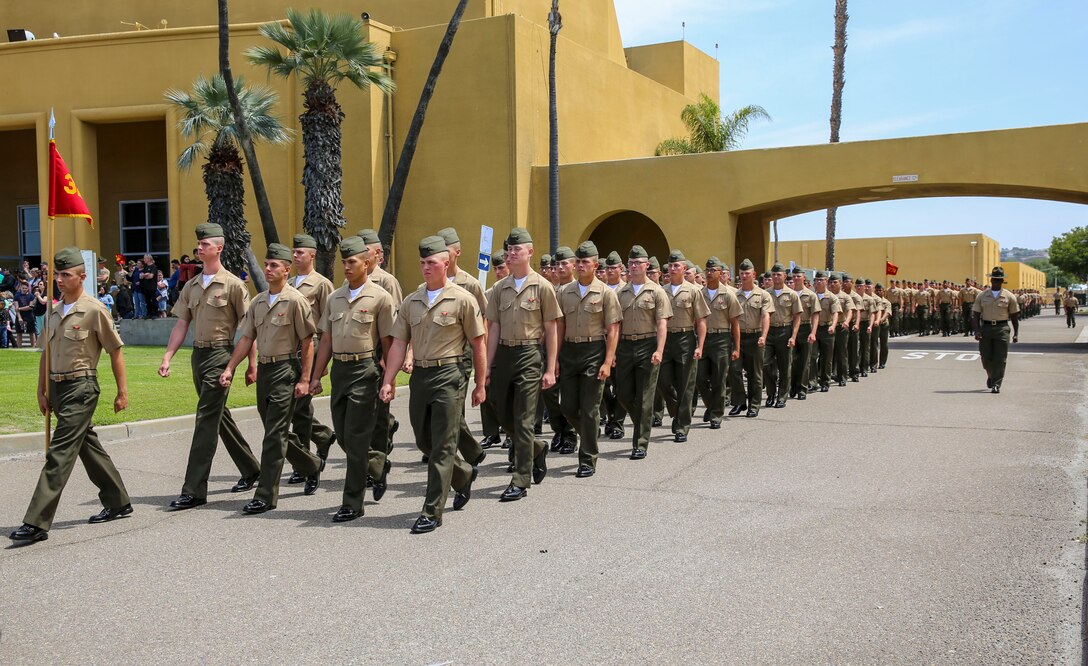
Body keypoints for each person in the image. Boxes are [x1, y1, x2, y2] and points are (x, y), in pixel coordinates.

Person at [9, 247, 132, 544]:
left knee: (60, 452)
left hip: (81, 387)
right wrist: (41, 389)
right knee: (86, 444)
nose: (60, 280)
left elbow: (115, 351)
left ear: (82, 277)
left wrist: (122, 391)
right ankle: (118, 501)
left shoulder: (93, 309)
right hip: (57, 387)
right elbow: (45, 354)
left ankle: (37, 521)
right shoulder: (53, 311)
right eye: (57, 274)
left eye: (66, 274)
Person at [379, 236, 485, 533]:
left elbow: (478, 343)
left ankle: (431, 511)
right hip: (421, 378)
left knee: (442, 446)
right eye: (423, 263)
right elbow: (400, 343)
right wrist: (389, 380)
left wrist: (480, 383)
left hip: (449, 375)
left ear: (446, 263)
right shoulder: (412, 301)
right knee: (424, 441)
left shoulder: (463, 298)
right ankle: (463, 474)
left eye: (432, 262)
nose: (426, 267)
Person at [159, 223, 261, 510]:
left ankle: (193, 489)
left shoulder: (233, 285)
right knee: (218, 415)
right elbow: (182, 323)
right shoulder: (191, 286)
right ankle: (252, 468)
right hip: (198, 357)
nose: (200, 249)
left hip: (220, 356)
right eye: (199, 245)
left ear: (219, 248)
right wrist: (168, 356)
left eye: (205, 245)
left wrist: (252, 364)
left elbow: (249, 328)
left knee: (205, 421)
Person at [219, 244, 323, 514]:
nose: (268, 269)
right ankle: (311, 465)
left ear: (287, 270)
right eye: (266, 264)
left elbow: (307, 342)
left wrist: (304, 378)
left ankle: (265, 495)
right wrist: (231, 367)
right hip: (265, 371)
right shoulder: (259, 301)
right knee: (274, 432)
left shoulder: (295, 300)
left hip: (285, 370)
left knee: (274, 435)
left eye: (274, 265)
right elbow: (246, 338)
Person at [310, 238, 396, 522]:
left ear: (367, 263)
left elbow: (387, 340)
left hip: (365, 370)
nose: (346, 267)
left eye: (352, 262)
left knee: (356, 438)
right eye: (343, 262)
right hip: (340, 372)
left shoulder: (380, 297)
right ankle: (377, 464)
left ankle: (352, 502)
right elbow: (326, 339)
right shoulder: (335, 297)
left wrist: (388, 377)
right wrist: (316, 375)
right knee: (345, 436)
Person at [485, 228, 561, 501]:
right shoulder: (498, 289)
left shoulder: (542, 286)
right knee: (504, 416)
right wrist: (486, 367)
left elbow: (551, 329)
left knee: (523, 418)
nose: (511, 253)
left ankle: (521, 479)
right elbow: (493, 328)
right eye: (509, 249)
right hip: (504, 354)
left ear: (529, 251)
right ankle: (537, 448)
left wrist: (551, 368)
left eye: (517, 249)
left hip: (530, 355)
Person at [556, 241, 621, 477]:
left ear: (595, 264)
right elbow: (560, 326)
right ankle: (590, 436)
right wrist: (554, 359)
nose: (580, 265)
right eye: (578, 262)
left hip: (594, 351)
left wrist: (607, 361)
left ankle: (587, 458)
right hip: (569, 352)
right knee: (568, 407)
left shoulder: (605, 293)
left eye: (585, 262)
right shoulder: (565, 292)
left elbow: (613, 329)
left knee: (590, 408)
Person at [285, 234, 337, 481]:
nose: (295, 256)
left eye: (300, 252)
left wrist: (322, 362)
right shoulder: (291, 282)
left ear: (312, 255)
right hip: (290, 347)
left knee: (300, 405)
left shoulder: (322, 284)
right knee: (297, 406)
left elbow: (329, 324)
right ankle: (322, 436)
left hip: (312, 345)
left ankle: (302, 462)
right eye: (294, 252)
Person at [435, 228, 488, 471]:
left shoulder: (471, 284)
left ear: (457, 252)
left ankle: (451, 450)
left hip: (463, 354)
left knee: (453, 406)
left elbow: (484, 321)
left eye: (445, 249)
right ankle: (469, 450)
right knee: (446, 408)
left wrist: (482, 359)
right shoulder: (430, 285)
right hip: (435, 354)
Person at [615, 245, 671, 459]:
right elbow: (615, 325)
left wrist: (659, 349)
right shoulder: (622, 292)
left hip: (648, 344)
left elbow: (662, 323)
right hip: (626, 346)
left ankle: (640, 443)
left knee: (645, 396)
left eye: (638, 263)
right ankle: (641, 419)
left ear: (647, 265)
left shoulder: (657, 291)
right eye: (631, 263)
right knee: (623, 394)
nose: (634, 266)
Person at [658, 250, 708, 441]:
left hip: (686, 338)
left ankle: (682, 426)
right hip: (666, 339)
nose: (672, 268)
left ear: (684, 268)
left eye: (676, 265)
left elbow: (701, 321)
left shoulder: (693, 291)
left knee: (685, 384)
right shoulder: (662, 290)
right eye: (670, 266)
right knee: (663, 382)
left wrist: (700, 346)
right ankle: (677, 413)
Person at [696, 257, 741, 427]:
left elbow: (735, 324)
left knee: (719, 379)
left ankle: (716, 415)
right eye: (707, 270)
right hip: (703, 339)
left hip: (722, 339)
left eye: (712, 270)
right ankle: (711, 405)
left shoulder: (729, 294)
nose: (709, 273)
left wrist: (736, 347)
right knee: (699, 377)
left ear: (720, 273)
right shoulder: (700, 293)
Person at [728, 259, 773, 418]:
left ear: (754, 274)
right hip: (738, 337)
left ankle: (754, 405)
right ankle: (739, 402)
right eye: (741, 274)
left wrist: (763, 336)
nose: (744, 276)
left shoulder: (763, 295)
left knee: (755, 373)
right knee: (734, 370)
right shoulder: (734, 295)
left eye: (747, 273)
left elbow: (766, 316)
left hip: (755, 336)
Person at [972, 266, 1020, 394]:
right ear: (991, 280)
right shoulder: (982, 295)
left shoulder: (1009, 296)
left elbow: (1014, 316)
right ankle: (991, 375)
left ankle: (997, 383)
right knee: (985, 357)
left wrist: (1016, 333)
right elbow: (976, 314)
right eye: (994, 279)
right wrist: (976, 330)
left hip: (1002, 329)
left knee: (1000, 358)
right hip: (986, 328)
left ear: (1002, 281)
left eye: (999, 280)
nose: (996, 282)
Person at [763, 263, 802, 408]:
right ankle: (771, 392)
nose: (775, 277)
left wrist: (793, 336)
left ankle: (782, 396)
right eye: (773, 274)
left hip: (784, 331)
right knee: (764, 363)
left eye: (778, 274)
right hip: (769, 331)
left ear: (785, 276)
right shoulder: (766, 293)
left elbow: (797, 316)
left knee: (785, 366)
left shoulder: (792, 294)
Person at [789, 267, 819, 400]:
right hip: (790, 328)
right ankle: (793, 386)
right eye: (794, 276)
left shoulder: (811, 295)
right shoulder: (788, 293)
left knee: (805, 361)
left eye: (798, 276)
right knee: (791, 360)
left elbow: (815, 315)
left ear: (804, 278)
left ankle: (802, 388)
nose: (795, 279)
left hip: (805, 327)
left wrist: (813, 332)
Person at [812, 270, 842, 392]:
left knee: (826, 357)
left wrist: (833, 326)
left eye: (821, 280)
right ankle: (812, 382)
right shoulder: (811, 296)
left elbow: (835, 313)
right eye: (817, 280)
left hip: (826, 329)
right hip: (814, 329)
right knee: (812, 356)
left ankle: (825, 381)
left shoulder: (832, 297)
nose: (819, 282)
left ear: (826, 282)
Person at [14, 281, 37, 347]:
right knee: (19, 332)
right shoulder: (17, 296)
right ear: (21, 288)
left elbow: (30, 307)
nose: (24, 289)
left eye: (25, 288)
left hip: (29, 315)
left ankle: (33, 346)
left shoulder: (31, 296)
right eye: (23, 288)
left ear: (28, 289)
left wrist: (20, 309)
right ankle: (19, 347)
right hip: (20, 315)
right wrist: (19, 318)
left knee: (31, 332)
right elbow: (16, 307)